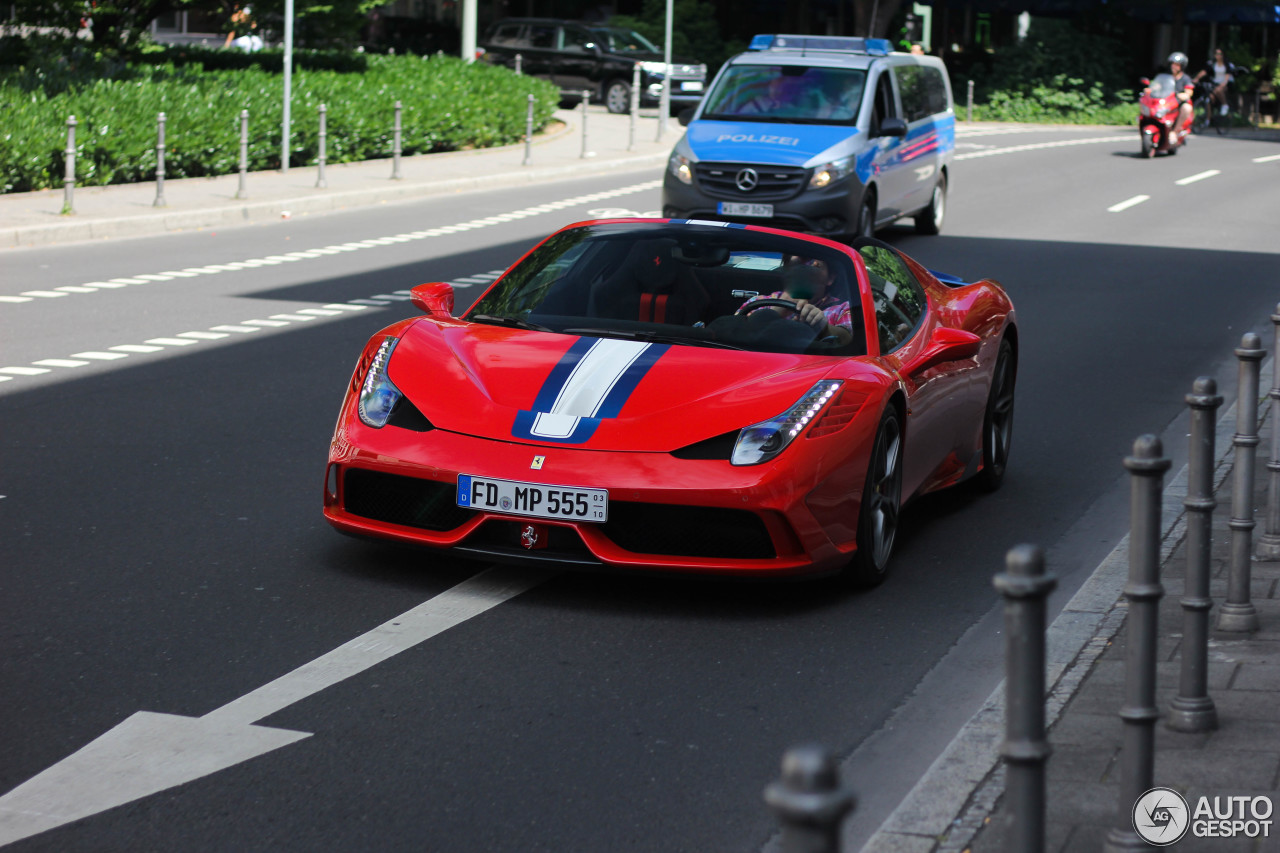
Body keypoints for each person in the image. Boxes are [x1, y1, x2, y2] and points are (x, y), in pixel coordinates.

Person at [739, 255, 854, 345]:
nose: (804, 271)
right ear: (786, 272)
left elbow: (850, 342)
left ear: (830, 278)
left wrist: (824, 328)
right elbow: (734, 332)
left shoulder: (843, 309)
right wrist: (775, 311)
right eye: (797, 264)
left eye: (815, 266)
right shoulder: (759, 303)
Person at [1195, 48, 1235, 118]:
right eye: (1216, 54)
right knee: (1210, 97)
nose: (1218, 56)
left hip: (1224, 84)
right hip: (1215, 83)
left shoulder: (1227, 64)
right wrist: (1197, 78)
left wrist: (1224, 83)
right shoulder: (1213, 63)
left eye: (1220, 54)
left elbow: (1227, 75)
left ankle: (1224, 105)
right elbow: (1204, 72)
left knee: (1219, 90)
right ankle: (1209, 116)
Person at [1164, 52, 1196, 135]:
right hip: (1166, 102)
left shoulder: (1185, 78)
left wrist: (1185, 94)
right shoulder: (1166, 76)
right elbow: (1157, 86)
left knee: (1187, 108)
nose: (1173, 66)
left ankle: (1175, 131)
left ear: (1181, 67)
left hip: (1177, 104)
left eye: (1176, 65)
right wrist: (1150, 89)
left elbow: (1189, 91)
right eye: (1172, 64)